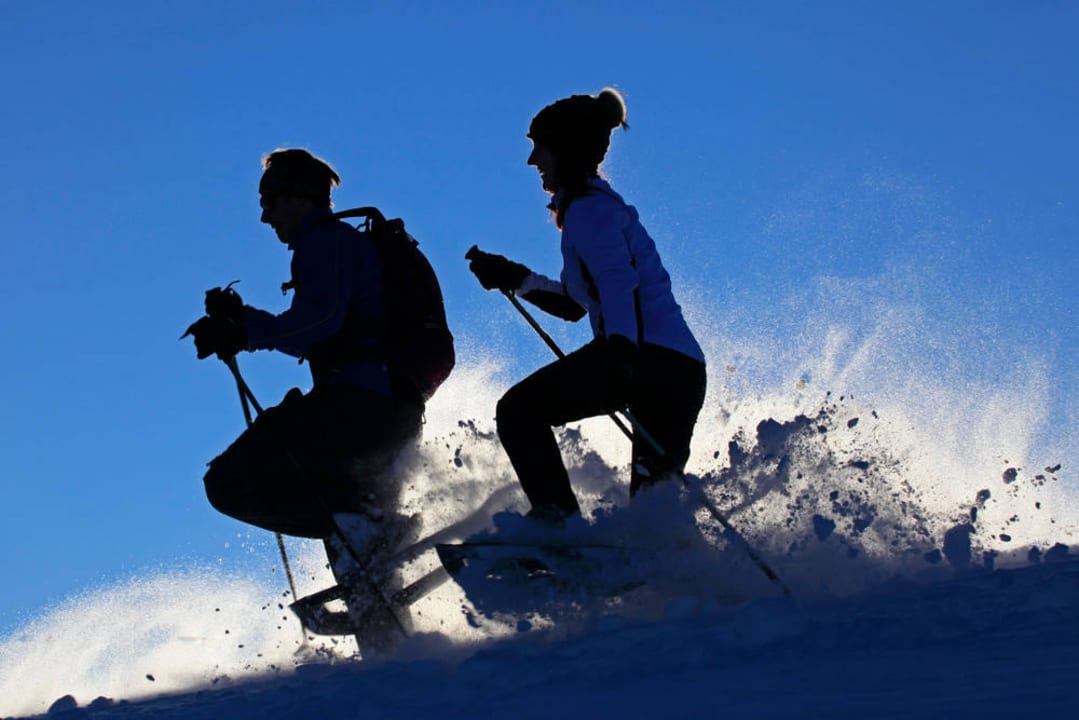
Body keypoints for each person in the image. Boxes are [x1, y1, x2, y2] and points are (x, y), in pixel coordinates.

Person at [185, 148, 427, 650]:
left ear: (297, 196)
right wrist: (245, 325)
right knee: (344, 507)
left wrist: (245, 328)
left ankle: (371, 528)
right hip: (385, 409)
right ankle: (390, 647)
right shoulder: (337, 245)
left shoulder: (325, 242)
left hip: (358, 405)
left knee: (229, 483)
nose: (264, 215)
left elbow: (319, 323)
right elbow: (324, 321)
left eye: (269, 200)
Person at [467, 88, 707, 523]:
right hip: (678, 370)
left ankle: (558, 525)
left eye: (538, 147)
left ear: (565, 149)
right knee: (652, 519)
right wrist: (514, 277)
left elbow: (619, 283)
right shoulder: (595, 210)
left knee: (519, 411)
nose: (532, 160)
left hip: (646, 358)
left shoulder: (589, 212)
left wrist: (619, 351)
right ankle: (677, 574)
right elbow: (579, 304)